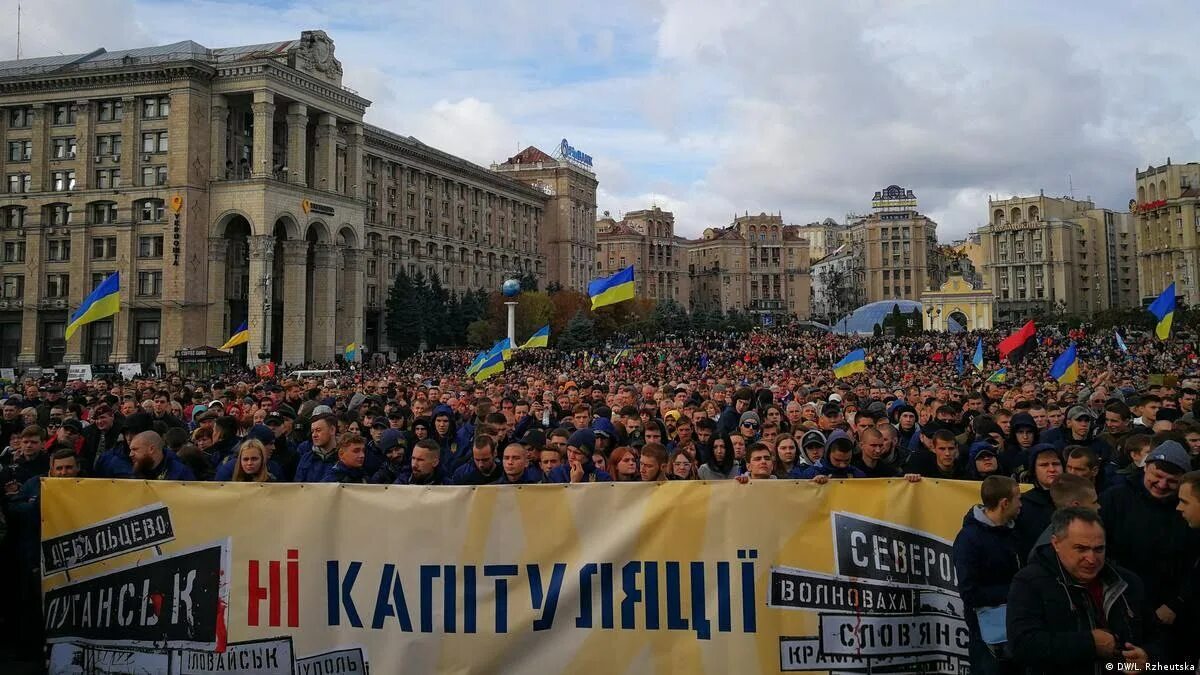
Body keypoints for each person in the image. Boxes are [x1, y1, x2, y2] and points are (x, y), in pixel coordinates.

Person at [1007, 508, 1151, 674]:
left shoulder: (1127, 582)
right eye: (1081, 549)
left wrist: (1147, 657)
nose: (1091, 559)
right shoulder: (1029, 582)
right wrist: (1090, 643)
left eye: (1099, 549)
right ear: (1056, 544)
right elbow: (1022, 646)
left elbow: (1157, 637)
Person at [1099, 439, 1199, 662]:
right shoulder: (1115, 499)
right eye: (1157, 476)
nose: (1162, 485)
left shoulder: (1188, 510)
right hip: (1121, 602)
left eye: (1172, 481)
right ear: (1145, 467)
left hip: (1171, 613)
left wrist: (1177, 604)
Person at [953, 475, 1022, 675]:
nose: (1021, 504)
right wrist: (1016, 593)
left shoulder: (1012, 532)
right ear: (1004, 503)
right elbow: (970, 593)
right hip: (988, 638)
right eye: (1018, 498)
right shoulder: (969, 539)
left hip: (1015, 628)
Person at [1012, 444, 1061, 556]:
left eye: (1056, 464)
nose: (1052, 469)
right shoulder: (1021, 503)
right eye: (1044, 465)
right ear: (1033, 470)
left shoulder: (1075, 499)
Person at [793, 431, 865, 482]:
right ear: (827, 453)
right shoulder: (810, 474)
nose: (842, 465)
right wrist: (812, 485)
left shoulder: (858, 475)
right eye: (837, 460)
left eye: (847, 460)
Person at [546, 429, 612, 483]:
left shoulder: (603, 478)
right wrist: (573, 483)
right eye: (569, 450)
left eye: (577, 453)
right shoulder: (556, 474)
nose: (571, 456)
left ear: (587, 456)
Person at [128, 431, 196, 480]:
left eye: (135, 449)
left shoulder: (180, 472)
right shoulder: (137, 470)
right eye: (131, 450)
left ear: (151, 449)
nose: (130, 454)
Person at [294, 414, 339, 482]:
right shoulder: (306, 458)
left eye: (318, 430)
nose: (314, 435)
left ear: (332, 430)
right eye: (312, 431)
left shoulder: (345, 457)